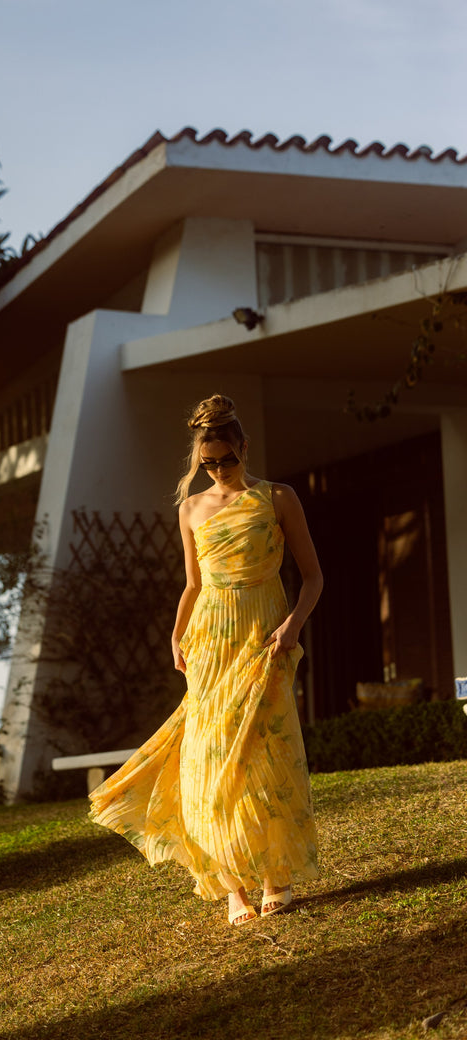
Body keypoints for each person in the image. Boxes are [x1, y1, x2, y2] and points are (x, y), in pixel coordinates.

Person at [89, 394, 323, 927]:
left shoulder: (277, 498)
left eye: (227, 459)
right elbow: (193, 584)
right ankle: (231, 886)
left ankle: (275, 878)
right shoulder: (190, 509)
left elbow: (313, 576)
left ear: (244, 447)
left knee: (266, 751)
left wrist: (292, 626)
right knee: (209, 759)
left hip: (264, 632)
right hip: (209, 639)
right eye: (208, 462)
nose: (218, 469)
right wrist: (176, 636)